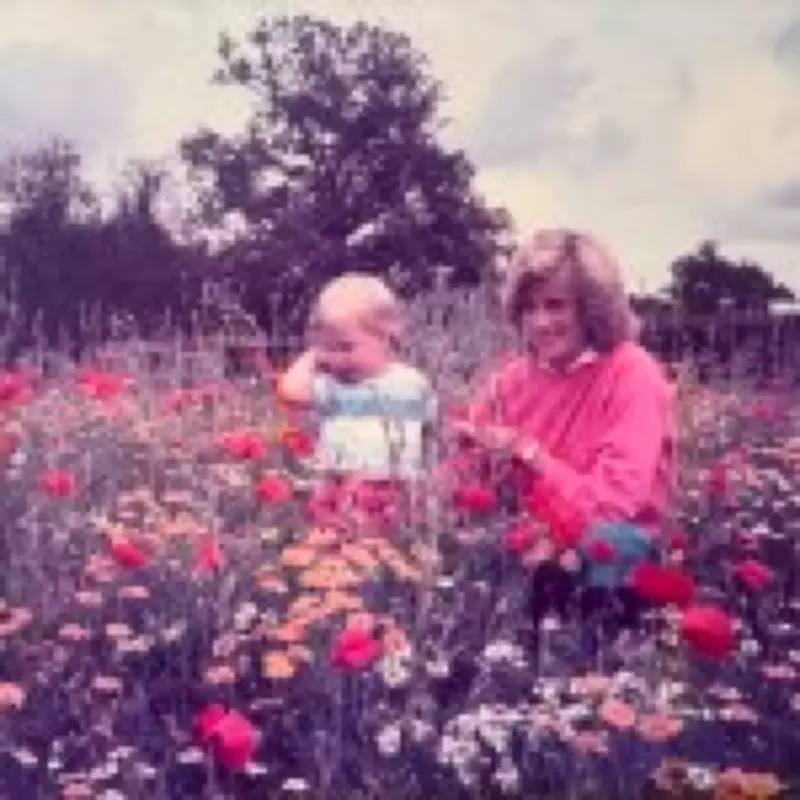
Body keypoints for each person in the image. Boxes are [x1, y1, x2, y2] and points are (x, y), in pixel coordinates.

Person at [448, 229, 676, 640]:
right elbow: (463, 480)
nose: (540, 322)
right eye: (529, 308)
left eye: (556, 306)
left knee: (600, 550)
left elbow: (614, 504)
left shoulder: (632, 372)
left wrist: (528, 452)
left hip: (610, 550)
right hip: (530, 540)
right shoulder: (508, 382)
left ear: (592, 308)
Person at [278, 272, 437, 534]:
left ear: (386, 336)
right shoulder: (332, 386)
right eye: (328, 348)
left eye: (346, 347)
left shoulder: (412, 382)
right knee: (337, 557)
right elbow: (290, 392)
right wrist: (314, 355)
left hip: (393, 490)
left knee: (391, 554)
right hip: (337, 487)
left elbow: (430, 433)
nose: (337, 359)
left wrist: (425, 481)